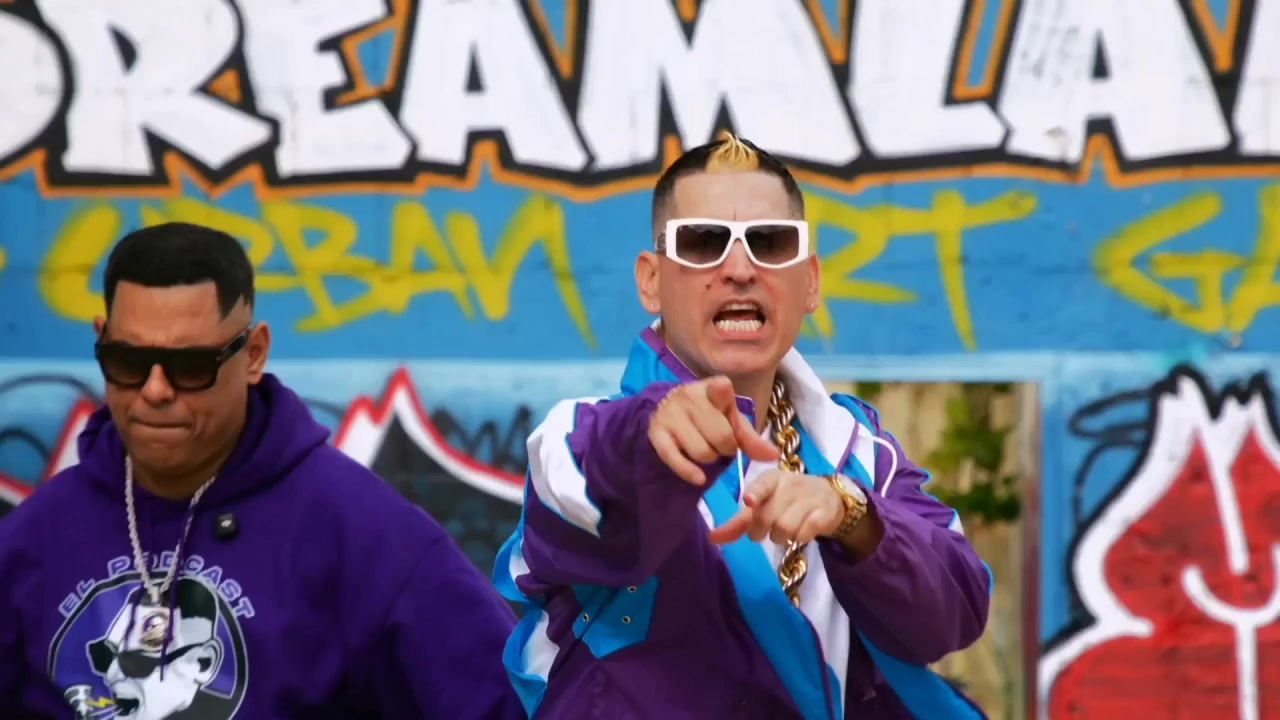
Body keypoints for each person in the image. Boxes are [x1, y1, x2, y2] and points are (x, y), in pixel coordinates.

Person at [494, 132, 992, 719]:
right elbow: (593, 490)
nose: (738, 269)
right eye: (703, 242)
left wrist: (852, 515)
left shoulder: (862, 453)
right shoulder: (576, 437)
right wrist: (650, 436)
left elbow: (955, 612)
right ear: (651, 280)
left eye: (770, 243)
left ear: (810, 281)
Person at [0, 222, 527, 719]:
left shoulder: (370, 541)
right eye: (128, 362)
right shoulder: (31, 542)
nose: (155, 390)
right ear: (101, 341)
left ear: (253, 354)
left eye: (190, 366)